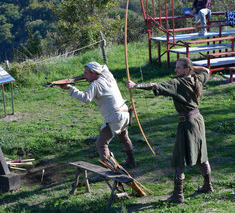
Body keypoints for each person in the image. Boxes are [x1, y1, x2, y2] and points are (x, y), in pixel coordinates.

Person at [126, 58, 214, 203]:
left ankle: (178, 195)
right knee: (201, 154)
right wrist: (192, 69)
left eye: (179, 68)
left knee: (179, 158)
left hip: (187, 124)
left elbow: (155, 86)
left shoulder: (177, 83)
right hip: (198, 120)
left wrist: (135, 86)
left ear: (186, 69)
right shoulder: (196, 79)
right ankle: (207, 186)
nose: (175, 70)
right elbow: (206, 70)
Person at [60, 62, 136, 167]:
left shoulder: (96, 84)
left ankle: (108, 169)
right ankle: (131, 161)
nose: (84, 76)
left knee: (101, 144)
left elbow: (86, 98)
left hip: (115, 117)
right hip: (124, 113)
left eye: (86, 73)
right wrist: (85, 75)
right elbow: (104, 67)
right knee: (124, 138)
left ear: (94, 72)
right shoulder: (108, 76)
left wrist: (71, 88)